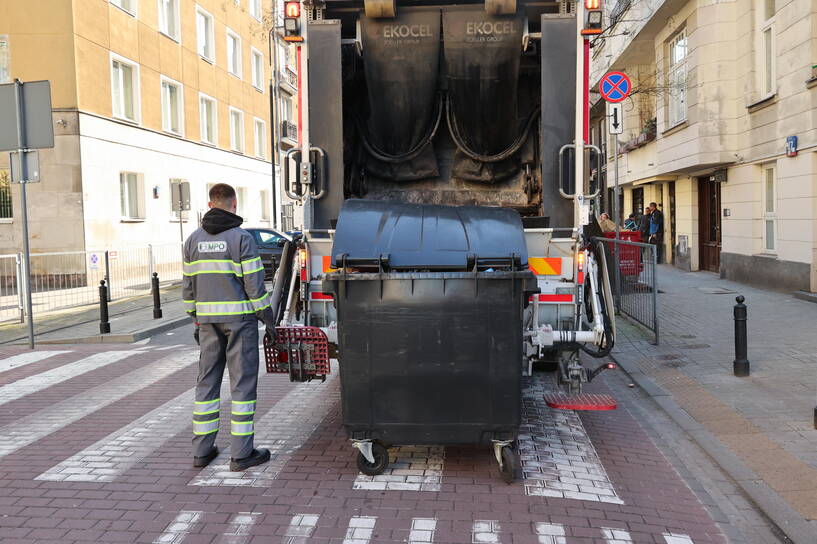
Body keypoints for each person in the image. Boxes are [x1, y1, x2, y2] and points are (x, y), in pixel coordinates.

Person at [183, 183, 276, 471]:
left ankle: (202, 451)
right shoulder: (241, 239)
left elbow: (188, 290)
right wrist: (267, 318)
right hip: (240, 325)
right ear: (233, 204)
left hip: (208, 324)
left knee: (207, 385)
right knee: (242, 387)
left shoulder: (192, 241)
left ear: (210, 204)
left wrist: (196, 320)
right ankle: (241, 454)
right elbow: (255, 286)